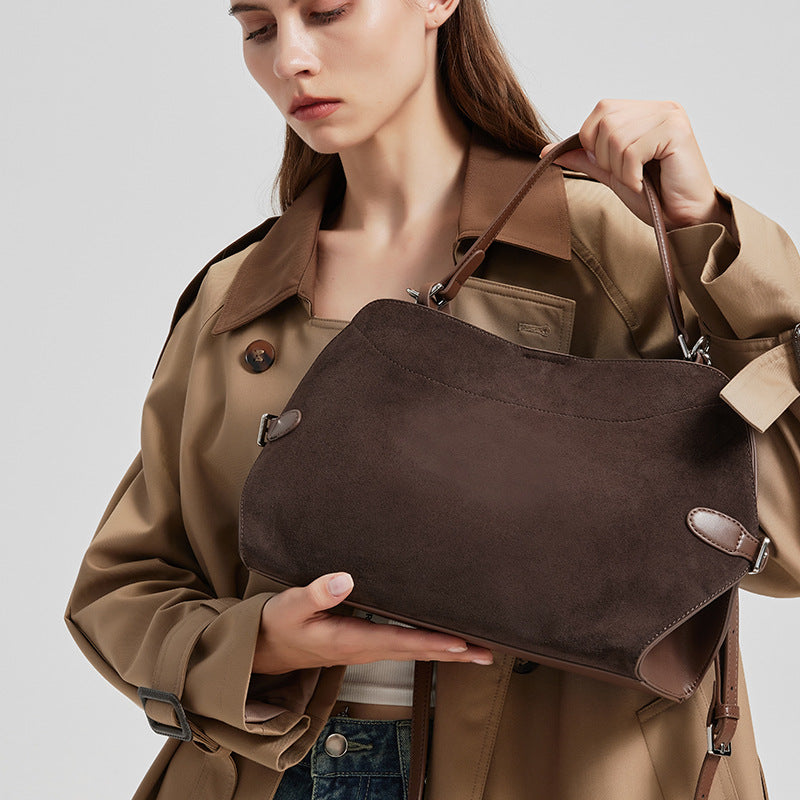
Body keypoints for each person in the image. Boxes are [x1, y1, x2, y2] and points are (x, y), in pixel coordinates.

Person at [64, 1, 800, 799]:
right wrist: (259, 645)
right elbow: (124, 586)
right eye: (258, 28)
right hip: (274, 774)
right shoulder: (237, 297)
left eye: (327, 10)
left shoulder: (613, 246)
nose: (290, 60)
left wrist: (705, 231)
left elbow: (785, 544)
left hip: (570, 772)